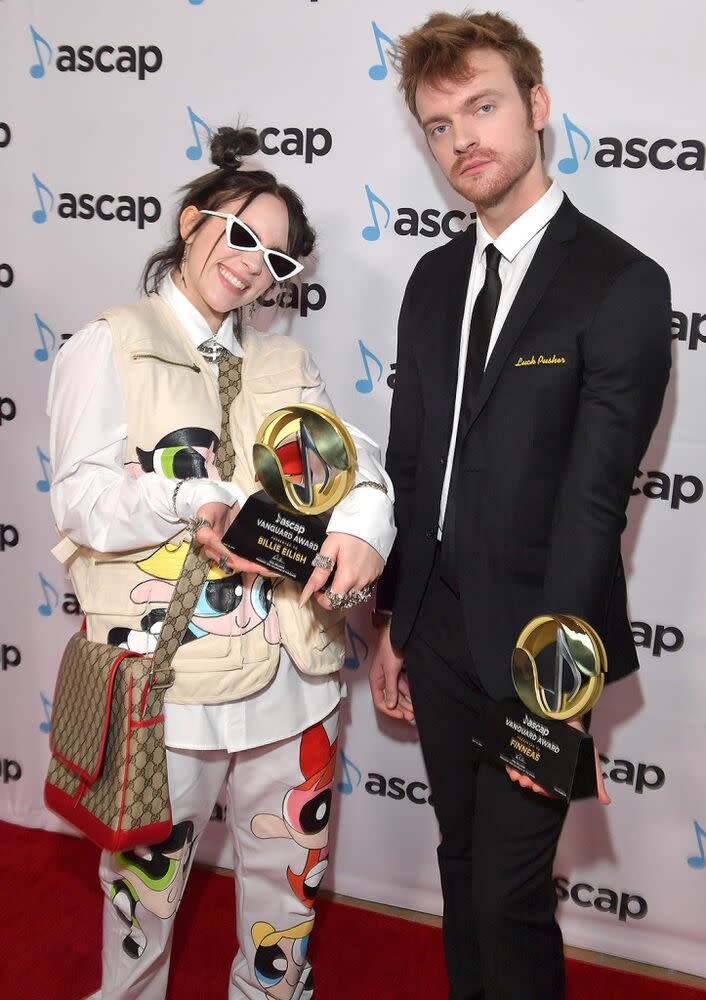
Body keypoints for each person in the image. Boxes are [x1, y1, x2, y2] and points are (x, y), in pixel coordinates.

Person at [48, 125, 395, 1000]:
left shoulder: (287, 361)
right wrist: (189, 498)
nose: (252, 265)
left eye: (277, 260)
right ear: (194, 221)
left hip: (298, 680)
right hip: (168, 684)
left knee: (288, 898)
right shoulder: (112, 342)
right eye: (242, 235)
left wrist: (367, 528)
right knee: (142, 907)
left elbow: (359, 471)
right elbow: (82, 499)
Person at [368, 11, 671, 1000]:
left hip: (545, 640)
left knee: (507, 894)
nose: (463, 139)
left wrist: (556, 702)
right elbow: (413, 464)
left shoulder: (618, 283)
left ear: (537, 107)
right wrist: (392, 620)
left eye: (483, 106)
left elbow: (595, 511)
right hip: (438, 622)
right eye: (439, 124)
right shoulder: (430, 278)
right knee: (460, 867)